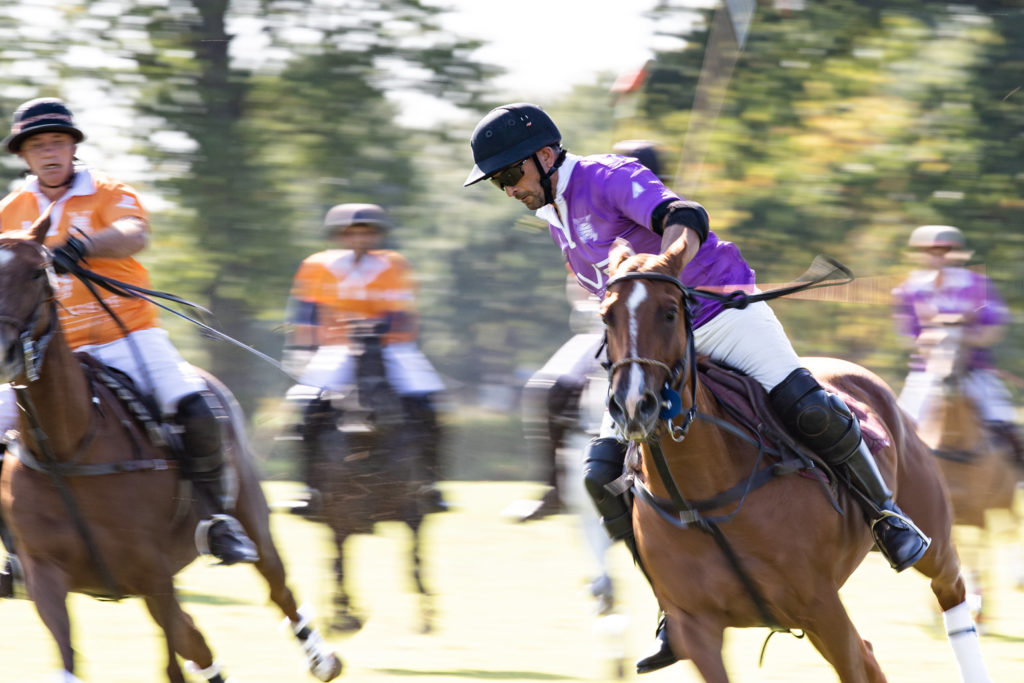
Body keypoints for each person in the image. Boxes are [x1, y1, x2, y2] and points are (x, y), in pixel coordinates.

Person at [464, 102, 930, 674]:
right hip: (656, 343)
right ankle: (673, 599)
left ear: (544, 156)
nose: (507, 189)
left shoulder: (605, 176)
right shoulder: (555, 214)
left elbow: (683, 211)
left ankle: (887, 517)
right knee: (600, 469)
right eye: (497, 182)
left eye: (510, 174)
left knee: (807, 406)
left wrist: (674, 256)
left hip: (720, 312)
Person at [0, 97, 259, 584]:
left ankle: (216, 521)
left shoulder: (108, 191)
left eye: (58, 141)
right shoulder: (10, 211)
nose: (49, 151)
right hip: (52, 351)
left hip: (127, 333)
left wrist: (82, 245)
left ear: (73, 147)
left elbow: (132, 233)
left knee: (194, 408)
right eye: (38, 145)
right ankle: (17, 548)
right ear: (24, 156)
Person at [518, 141, 669, 524]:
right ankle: (552, 485)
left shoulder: (664, 217)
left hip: (663, 328)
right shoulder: (582, 214)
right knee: (547, 388)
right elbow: (578, 283)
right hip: (606, 327)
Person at [282, 203, 447, 513]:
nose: (359, 239)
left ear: (376, 236)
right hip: (338, 347)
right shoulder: (316, 265)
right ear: (339, 236)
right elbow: (306, 316)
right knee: (304, 402)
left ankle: (430, 484)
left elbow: (403, 315)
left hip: (390, 347)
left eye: (366, 232)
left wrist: (375, 330)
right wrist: (302, 352)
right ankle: (308, 487)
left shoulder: (394, 265)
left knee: (429, 400)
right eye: (351, 233)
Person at [892, 224, 1023, 467]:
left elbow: (993, 329)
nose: (938, 256)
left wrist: (957, 338)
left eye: (945, 250)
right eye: (931, 251)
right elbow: (908, 335)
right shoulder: (910, 289)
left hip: (974, 368)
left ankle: (1017, 474)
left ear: (956, 253)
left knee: (1001, 416)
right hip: (926, 371)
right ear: (919, 253)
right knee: (901, 422)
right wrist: (936, 342)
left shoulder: (977, 284)